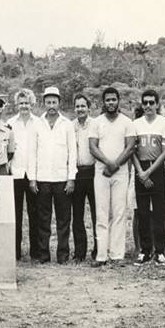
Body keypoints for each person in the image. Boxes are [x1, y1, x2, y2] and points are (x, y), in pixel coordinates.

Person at [88, 87, 136, 266]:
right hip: (101, 171)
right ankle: (101, 256)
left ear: (118, 100)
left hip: (121, 172)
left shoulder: (127, 122)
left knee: (119, 213)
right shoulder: (96, 122)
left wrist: (115, 165)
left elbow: (130, 147)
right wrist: (108, 163)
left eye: (113, 100)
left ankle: (116, 255)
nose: (110, 103)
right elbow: (92, 147)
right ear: (103, 102)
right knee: (101, 213)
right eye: (107, 100)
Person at [34, 87, 76, 264]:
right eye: (48, 102)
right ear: (44, 103)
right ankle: (43, 255)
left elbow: (72, 152)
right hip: (43, 178)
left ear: (59, 103)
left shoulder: (67, 124)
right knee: (43, 219)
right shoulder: (37, 123)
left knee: (63, 219)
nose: (51, 106)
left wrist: (71, 177)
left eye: (54, 102)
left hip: (61, 179)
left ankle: (63, 255)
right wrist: (33, 178)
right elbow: (33, 152)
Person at [131, 89, 165, 266]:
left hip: (157, 169)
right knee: (143, 212)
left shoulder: (164, 123)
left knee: (159, 211)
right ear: (142, 104)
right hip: (141, 169)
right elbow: (132, 151)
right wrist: (141, 171)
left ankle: (160, 251)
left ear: (157, 104)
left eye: (151, 102)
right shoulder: (136, 124)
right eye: (145, 102)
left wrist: (149, 172)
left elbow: (164, 153)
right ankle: (145, 250)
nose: (148, 106)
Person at [7, 88, 39, 261]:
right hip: (16, 173)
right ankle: (15, 252)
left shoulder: (38, 122)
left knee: (35, 214)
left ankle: (36, 251)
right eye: (21, 103)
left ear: (32, 104)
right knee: (15, 214)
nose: (24, 106)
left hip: (33, 174)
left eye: (27, 103)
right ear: (16, 105)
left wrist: (35, 175)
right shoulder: (10, 123)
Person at [72, 93, 98, 262]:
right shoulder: (70, 126)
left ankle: (98, 250)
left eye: (83, 106)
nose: (80, 109)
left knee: (97, 213)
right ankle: (80, 252)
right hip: (76, 173)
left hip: (94, 172)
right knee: (77, 214)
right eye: (77, 106)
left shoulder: (96, 125)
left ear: (89, 108)